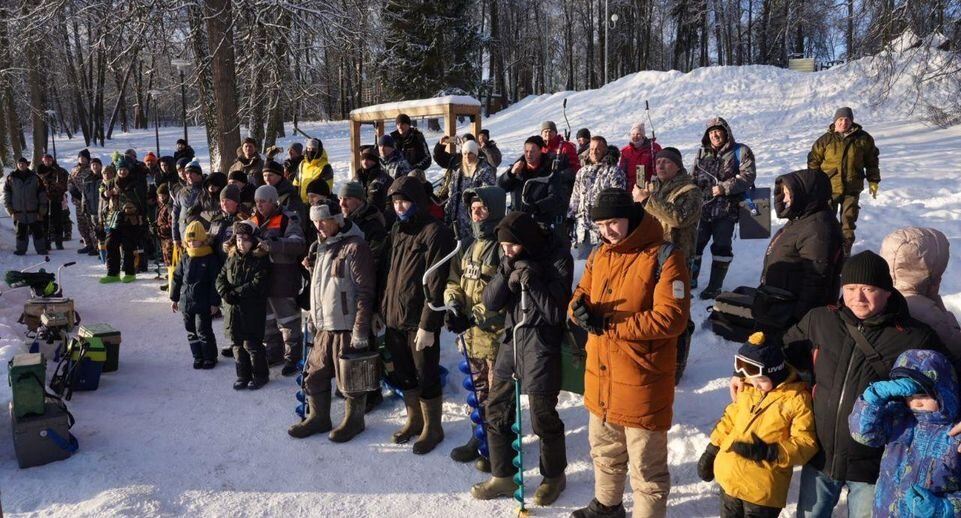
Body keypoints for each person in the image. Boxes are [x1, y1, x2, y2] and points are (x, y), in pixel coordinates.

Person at [762, 251, 946, 518]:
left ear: (886, 291)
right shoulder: (820, 321)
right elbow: (780, 356)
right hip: (821, 455)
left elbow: (948, 385)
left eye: (868, 289)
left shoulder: (914, 337)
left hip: (875, 466)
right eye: (850, 288)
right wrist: (746, 372)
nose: (857, 298)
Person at [566, 189, 690, 518]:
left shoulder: (665, 257)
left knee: (646, 470)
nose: (607, 231)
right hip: (602, 377)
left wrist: (609, 325)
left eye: (613, 223)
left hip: (642, 379)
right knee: (605, 451)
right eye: (601, 224)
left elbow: (671, 318)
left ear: (631, 218)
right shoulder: (599, 255)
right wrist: (577, 310)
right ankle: (607, 506)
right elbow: (581, 293)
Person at [471, 210, 572, 505]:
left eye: (512, 246)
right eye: (503, 248)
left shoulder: (557, 257)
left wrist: (532, 281)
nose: (508, 252)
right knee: (496, 409)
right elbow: (490, 301)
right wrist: (507, 274)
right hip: (511, 340)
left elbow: (555, 313)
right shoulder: (509, 257)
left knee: (542, 415)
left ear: (526, 241)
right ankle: (502, 475)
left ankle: (554, 475)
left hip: (541, 344)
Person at [697, 332, 818, 518]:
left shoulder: (797, 400)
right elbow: (730, 419)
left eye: (760, 380)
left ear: (776, 373)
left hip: (761, 491)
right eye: (751, 379)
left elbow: (806, 443)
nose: (755, 384)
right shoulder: (748, 387)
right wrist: (712, 449)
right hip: (729, 480)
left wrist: (771, 452)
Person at [289, 204, 376, 442]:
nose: (319, 226)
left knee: (350, 378)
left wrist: (360, 328)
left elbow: (364, 291)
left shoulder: (355, 247)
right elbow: (324, 287)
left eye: (324, 221)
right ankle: (319, 417)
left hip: (346, 325)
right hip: (324, 325)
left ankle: (354, 421)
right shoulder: (321, 247)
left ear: (337, 219)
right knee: (315, 374)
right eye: (315, 222)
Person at [381, 176, 455, 454]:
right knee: (404, 374)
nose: (400, 206)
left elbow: (436, 283)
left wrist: (428, 325)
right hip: (394, 317)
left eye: (404, 201)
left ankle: (433, 427)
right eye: (396, 202)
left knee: (426, 374)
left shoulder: (436, 232)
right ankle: (415, 419)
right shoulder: (397, 230)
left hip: (419, 321)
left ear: (417, 201)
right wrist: (382, 309)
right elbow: (388, 274)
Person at [847, 349, 961, 517]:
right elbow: (863, 434)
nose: (916, 403)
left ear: (943, 391)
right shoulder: (899, 419)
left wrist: (944, 508)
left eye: (923, 395)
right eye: (909, 396)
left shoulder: (955, 434)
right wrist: (873, 398)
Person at [444, 186, 507, 472]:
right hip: (471, 338)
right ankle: (477, 438)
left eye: (482, 208)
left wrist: (475, 316)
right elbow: (454, 280)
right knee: (477, 391)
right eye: (473, 210)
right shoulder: (470, 246)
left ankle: (499, 447)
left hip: (494, 340)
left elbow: (503, 293)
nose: (476, 214)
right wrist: (455, 305)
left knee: (496, 398)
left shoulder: (502, 246)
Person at [634, 147, 703, 383]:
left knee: (678, 312)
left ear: (677, 165)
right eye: (659, 162)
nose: (660, 165)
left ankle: (676, 366)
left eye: (666, 162)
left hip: (678, 260)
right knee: (654, 310)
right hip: (653, 258)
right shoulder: (654, 188)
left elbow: (679, 218)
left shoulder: (690, 190)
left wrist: (647, 200)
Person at [754, 169, 843, 337]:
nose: (785, 199)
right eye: (784, 194)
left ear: (807, 193)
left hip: (791, 315)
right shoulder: (802, 218)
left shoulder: (818, 229)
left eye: (789, 194)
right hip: (779, 304)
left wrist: (798, 320)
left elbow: (817, 281)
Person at [691, 116, 757, 299]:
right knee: (695, 245)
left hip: (726, 211)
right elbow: (693, 176)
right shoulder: (701, 153)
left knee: (721, 248)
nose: (715, 135)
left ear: (726, 132)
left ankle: (715, 286)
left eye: (718, 131)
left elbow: (748, 176)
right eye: (711, 132)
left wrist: (724, 188)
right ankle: (691, 279)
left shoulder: (741, 151)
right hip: (702, 209)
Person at [339, 181, 389, 412]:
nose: (342, 203)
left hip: (367, 288)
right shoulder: (346, 223)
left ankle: (371, 392)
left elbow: (376, 261)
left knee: (365, 341)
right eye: (340, 199)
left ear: (359, 199)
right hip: (348, 290)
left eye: (347, 199)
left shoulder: (372, 224)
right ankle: (352, 385)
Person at [807, 107, 880, 257]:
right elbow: (813, 162)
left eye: (847, 119)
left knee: (848, 223)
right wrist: (814, 183)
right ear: (835, 121)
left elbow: (872, 161)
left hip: (852, 189)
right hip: (829, 189)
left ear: (852, 121)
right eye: (840, 119)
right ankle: (827, 251)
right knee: (826, 221)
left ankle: (844, 254)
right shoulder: (825, 140)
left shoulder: (863, 139)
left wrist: (873, 180)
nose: (843, 122)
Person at [250, 184, 307, 375]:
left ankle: (293, 357)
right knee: (268, 320)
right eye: (257, 201)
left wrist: (274, 245)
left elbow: (298, 244)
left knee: (288, 320)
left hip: (283, 278)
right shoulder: (252, 220)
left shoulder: (288, 218)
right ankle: (274, 351)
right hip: (261, 279)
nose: (259, 205)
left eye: (263, 201)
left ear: (273, 201)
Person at [879, 227, 961, 349]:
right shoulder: (928, 312)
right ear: (932, 268)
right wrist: (943, 311)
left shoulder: (880, 297)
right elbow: (955, 344)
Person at [216, 221, 271, 389]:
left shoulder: (260, 259)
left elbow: (257, 283)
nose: (241, 243)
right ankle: (242, 375)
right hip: (233, 311)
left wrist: (236, 293)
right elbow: (221, 277)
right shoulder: (231, 257)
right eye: (239, 239)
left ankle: (260, 374)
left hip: (252, 310)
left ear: (253, 241)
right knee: (237, 344)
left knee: (252, 345)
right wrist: (224, 291)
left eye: (245, 240)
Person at [497, 135, 573, 238]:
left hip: (542, 224)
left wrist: (536, 207)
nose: (528, 155)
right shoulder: (519, 168)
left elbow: (555, 197)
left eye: (532, 151)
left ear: (541, 151)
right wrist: (510, 174)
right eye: (526, 151)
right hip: (518, 221)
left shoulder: (550, 171)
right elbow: (500, 188)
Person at [170, 220, 221, 370]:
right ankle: (197, 356)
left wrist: (214, 302)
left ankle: (210, 356)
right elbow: (177, 278)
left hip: (203, 302)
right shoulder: (185, 257)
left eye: (195, 240)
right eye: (189, 240)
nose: (192, 243)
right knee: (191, 331)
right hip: (186, 302)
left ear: (203, 240)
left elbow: (214, 282)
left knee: (203, 330)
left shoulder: (210, 258)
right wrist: (174, 298)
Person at [567, 136, 626, 259]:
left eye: (598, 149)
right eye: (592, 148)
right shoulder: (582, 172)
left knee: (603, 262)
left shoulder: (614, 172)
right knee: (582, 264)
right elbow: (575, 196)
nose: (594, 152)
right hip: (583, 229)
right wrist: (570, 217)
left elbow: (618, 200)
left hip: (604, 230)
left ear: (605, 150)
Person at [436, 139, 497, 240]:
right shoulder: (458, 171)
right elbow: (452, 195)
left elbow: (487, 196)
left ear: (476, 154)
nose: (467, 157)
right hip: (455, 221)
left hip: (473, 220)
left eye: (470, 153)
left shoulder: (484, 170)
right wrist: (447, 215)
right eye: (464, 154)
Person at [100, 161, 145, 283]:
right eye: (120, 169)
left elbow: (141, 201)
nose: (122, 172)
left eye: (125, 169)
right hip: (113, 217)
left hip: (129, 219)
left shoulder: (135, 183)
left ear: (129, 170)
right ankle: (112, 273)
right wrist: (105, 194)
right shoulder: (111, 182)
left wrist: (132, 205)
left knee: (128, 246)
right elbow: (103, 193)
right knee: (110, 244)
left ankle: (130, 273)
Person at [4, 157, 48, 255]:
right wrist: (10, 211)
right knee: (20, 233)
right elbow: (7, 195)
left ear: (27, 164)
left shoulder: (35, 178)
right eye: (19, 163)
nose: (21, 165)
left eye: (23, 163)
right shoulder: (11, 178)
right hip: (18, 212)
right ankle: (21, 250)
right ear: (17, 164)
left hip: (33, 211)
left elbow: (42, 194)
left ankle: (41, 249)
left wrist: (41, 211)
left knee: (38, 232)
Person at [69, 149, 101, 254]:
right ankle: (87, 244)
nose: (82, 159)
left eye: (84, 157)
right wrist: (72, 190)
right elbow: (69, 181)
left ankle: (96, 246)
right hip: (78, 202)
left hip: (90, 202)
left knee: (91, 225)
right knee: (81, 225)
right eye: (80, 157)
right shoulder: (74, 170)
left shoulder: (91, 169)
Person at [37, 154, 70, 250]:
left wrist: (58, 189)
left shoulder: (60, 171)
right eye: (45, 160)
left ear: (52, 160)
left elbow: (66, 184)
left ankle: (59, 242)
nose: (47, 162)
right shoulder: (39, 172)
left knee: (57, 221)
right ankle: (46, 242)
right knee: (45, 221)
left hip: (56, 199)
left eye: (49, 160)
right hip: (44, 200)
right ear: (43, 161)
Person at [618, 121, 662, 191]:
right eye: (633, 134)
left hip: (649, 186)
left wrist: (655, 176)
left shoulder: (653, 148)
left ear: (643, 136)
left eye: (638, 134)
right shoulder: (625, 150)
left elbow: (660, 164)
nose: (635, 136)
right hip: (630, 188)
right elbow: (621, 169)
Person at [355, 147, 393, 213]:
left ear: (375, 161)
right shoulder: (357, 177)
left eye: (369, 159)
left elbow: (390, 202)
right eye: (363, 159)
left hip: (378, 215)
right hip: (358, 215)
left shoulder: (384, 179)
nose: (365, 161)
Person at [155, 183, 175, 292]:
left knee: (171, 262)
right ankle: (170, 282)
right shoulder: (162, 206)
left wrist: (159, 229)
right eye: (160, 196)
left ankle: (173, 285)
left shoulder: (169, 207)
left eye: (163, 196)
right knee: (167, 262)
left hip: (169, 239)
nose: (161, 198)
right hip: (163, 239)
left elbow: (171, 225)